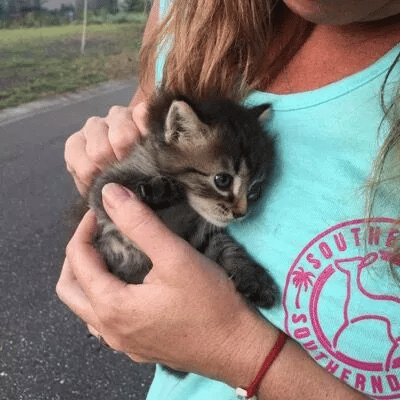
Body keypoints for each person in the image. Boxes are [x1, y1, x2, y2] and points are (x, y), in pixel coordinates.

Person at [56, 0, 400, 398]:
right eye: (226, 184)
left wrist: (239, 352)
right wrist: (104, 142)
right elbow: (143, 147)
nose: (242, 211)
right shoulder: (185, 12)